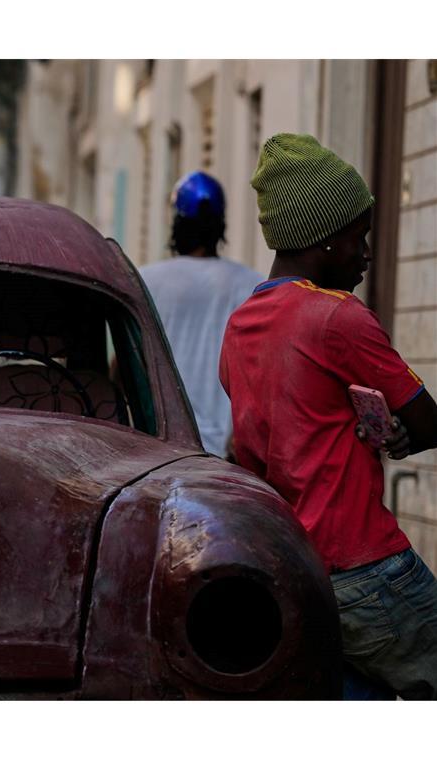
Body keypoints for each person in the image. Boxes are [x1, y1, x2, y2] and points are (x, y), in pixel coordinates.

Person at [219, 133, 437, 699]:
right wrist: (407, 434)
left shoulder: (241, 325)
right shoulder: (338, 317)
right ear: (323, 242)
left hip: (296, 572)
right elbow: (430, 422)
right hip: (369, 572)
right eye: (357, 238)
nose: (366, 254)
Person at [140, 171, 263, 458]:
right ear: (220, 226)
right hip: (224, 456)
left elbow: (126, 363)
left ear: (177, 223)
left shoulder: (145, 280)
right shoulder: (250, 284)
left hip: (156, 449)